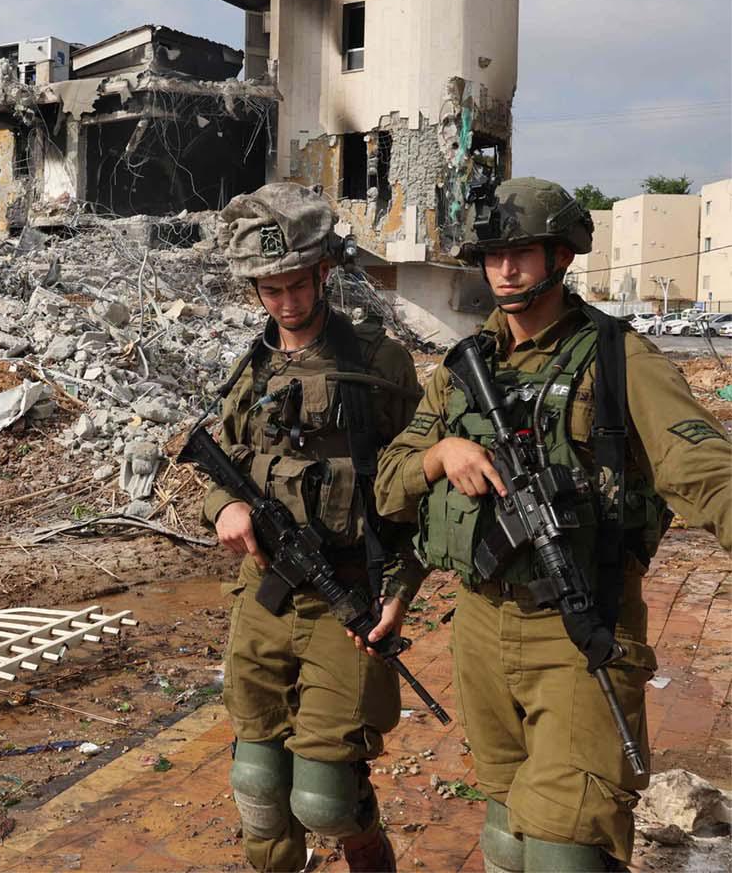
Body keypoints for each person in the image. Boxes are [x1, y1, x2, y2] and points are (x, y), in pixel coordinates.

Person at [373, 177, 731, 872]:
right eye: (493, 254)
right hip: (479, 628)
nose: (505, 269)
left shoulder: (618, 358)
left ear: (563, 256)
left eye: (523, 252)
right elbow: (391, 484)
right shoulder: (461, 370)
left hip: (581, 627)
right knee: (509, 834)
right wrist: (442, 455)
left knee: (569, 850)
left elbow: (702, 466)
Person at [204, 182, 426, 873]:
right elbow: (218, 465)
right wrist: (225, 509)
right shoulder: (251, 369)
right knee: (258, 787)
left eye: (297, 284)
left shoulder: (380, 364)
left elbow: (419, 489)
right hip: (263, 597)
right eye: (269, 289)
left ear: (324, 272)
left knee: (326, 800)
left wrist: (402, 589)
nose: (287, 302)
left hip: (348, 602)